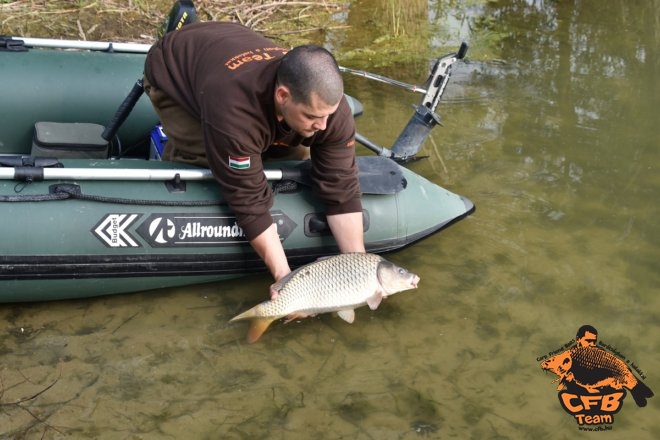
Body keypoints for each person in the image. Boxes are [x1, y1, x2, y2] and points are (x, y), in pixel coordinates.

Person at [143, 21, 365, 296]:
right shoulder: (234, 109)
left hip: (229, 48)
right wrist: (285, 280)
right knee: (202, 156)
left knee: (294, 154)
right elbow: (247, 199)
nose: (322, 125)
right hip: (176, 68)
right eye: (311, 116)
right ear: (283, 95)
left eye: (327, 115)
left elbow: (341, 186)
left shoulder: (329, 111)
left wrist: (360, 268)